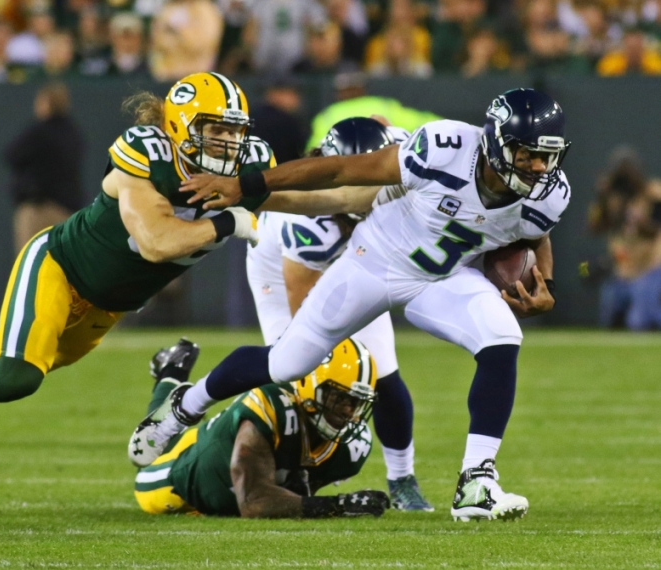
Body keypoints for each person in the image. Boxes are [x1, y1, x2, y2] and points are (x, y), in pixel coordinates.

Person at [0, 71, 381, 492]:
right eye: (215, 131)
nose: (226, 145)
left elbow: (321, 194)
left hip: (106, 306)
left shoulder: (239, 168)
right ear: (179, 128)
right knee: (16, 374)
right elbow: (156, 243)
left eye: (233, 132)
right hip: (61, 269)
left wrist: (388, 189)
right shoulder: (146, 157)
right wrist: (227, 220)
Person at [134, 88, 571, 523]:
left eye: (546, 157)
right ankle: (183, 406)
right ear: (495, 142)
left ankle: (476, 482)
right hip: (372, 264)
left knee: (501, 335)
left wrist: (543, 282)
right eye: (526, 153)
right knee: (289, 362)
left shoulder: (549, 192)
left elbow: (534, 234)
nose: (537, 167)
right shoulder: (445, 148)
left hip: (439, 279)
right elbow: (340, 172)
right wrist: (244, 185)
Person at [246, 117, 432, 511]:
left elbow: (382, 125)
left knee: (383, 373)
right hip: (283, 272)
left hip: (359, 255)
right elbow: (303, 303)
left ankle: (403, 478)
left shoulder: (402, 146)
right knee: (293, 370)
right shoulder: (310, 222)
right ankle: (295, 471)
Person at [134, 337, 390, 519]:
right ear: (310, 386)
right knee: (155, 443)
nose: (348, 411)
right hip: (172, 482)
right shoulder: (271, 406)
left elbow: (297, 495)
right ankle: (171, 372)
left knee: (173, 432)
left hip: (213, 445)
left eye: (356, 402)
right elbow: (254, 503)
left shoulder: (352, 448)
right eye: (340, 398)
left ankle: (172, 372)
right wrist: (338, 505)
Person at [4, 82, 85, 253]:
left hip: (37, 209)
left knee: (30, 264)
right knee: (64, 267)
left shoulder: (38, 131)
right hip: (67, 212)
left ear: (47, 103)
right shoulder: (73, 132)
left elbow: (11, 154)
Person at [587, 148, 661, 330]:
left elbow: (654, 227)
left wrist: (641, 222)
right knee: (608, 317)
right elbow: (595, 227)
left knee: (638, 321)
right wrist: (602, 197)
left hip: (651, 266)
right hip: (624, 270)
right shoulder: (613, 199)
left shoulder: (652, 193)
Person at [304, 71, 440, 150]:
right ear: (363, 89)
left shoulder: (327, 115)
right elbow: (429, 123)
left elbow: (313, 153)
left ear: (338, 93)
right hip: (383, 172)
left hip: (344, 177)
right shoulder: (383, 105)